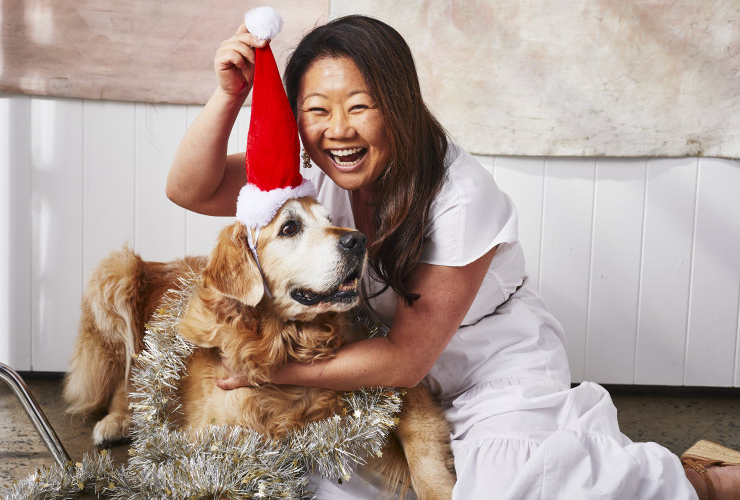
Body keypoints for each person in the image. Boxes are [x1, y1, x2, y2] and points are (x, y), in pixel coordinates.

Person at [166, 13, 740, 500]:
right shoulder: (313, 174)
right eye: (316, 110)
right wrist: (230, 94)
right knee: (318, 480)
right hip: (372, 371)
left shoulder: (460, 195)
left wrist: (268, 370)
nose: (338, 129)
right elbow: (189, 189)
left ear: (400, 106)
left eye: (360, 106)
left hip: (485, 367)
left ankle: (693, 482)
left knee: (499, 485)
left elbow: (407, 359)